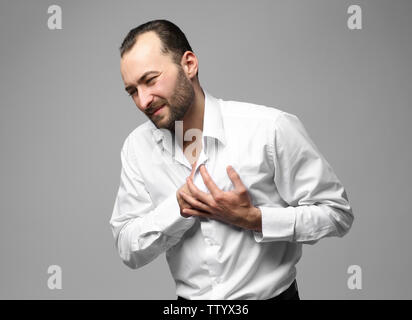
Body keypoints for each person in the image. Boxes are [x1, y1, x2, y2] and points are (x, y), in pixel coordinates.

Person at [110, 19, 354, 300]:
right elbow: (128, 248)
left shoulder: (269, 128)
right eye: (132, 91)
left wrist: (256, 219)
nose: (143, 101)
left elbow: (337, 214)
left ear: (189, 64)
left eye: (150, 80)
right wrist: (177, 210)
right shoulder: (137, 148)